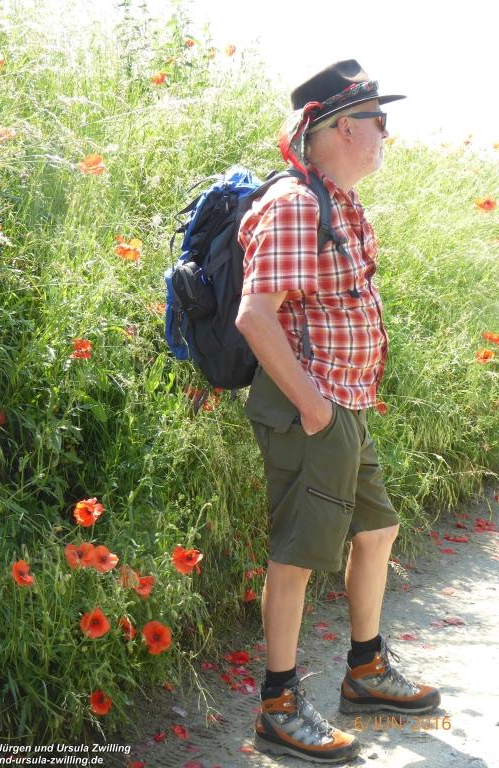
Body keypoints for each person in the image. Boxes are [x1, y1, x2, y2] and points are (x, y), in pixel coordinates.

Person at [235, 60, 441, 763]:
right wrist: (316, 410)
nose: (387, 133)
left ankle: (365, 670)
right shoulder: (296, 204)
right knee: (296, 557)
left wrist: (336, 408)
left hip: (342, 406)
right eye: (378, 120)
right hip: (311, 412)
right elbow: (255, 318)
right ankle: (278, 705)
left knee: (377, 530)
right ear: (344, 126)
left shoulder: (337, 201)